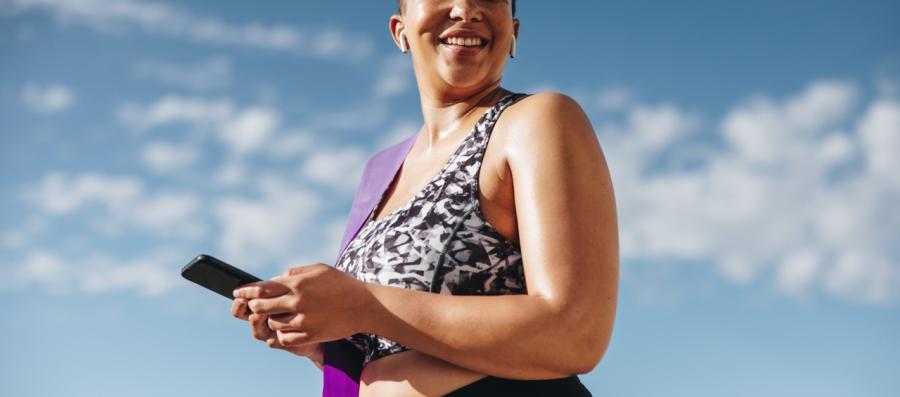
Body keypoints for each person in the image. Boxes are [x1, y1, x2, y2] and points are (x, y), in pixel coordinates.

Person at [231, 0, 619, 395]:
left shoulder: (535, 120)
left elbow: (575, 333)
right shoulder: (380, 171)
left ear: (513, 33)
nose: (466, 9)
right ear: (400, 31)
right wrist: (328, 340)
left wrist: (364, 305)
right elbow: (400, 339)